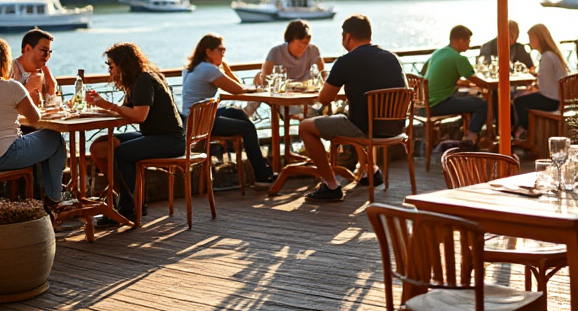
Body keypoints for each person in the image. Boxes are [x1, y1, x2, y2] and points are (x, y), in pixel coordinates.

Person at [296, 14, 408, 203]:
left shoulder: (346, 61)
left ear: (347, 36)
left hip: (364, 130)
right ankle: (370, 170)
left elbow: (324, 99)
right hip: (395, 128)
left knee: (305, 127)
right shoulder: (392, 58)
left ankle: (331, 186)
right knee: (351, 115)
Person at [0, 36, 65, 208]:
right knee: (55, 138)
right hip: (4, 156)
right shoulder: (11, 87)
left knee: (43, 143)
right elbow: (35, 118)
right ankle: (55, 199)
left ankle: (47, 197)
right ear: (3, 61)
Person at [86, 43, 185, 219]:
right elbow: (126, 113)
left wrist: (108, 105)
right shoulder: (137, 81)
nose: (109, 71)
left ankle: (128, 209)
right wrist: (100, 107)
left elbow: (140, 116)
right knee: (100, 147)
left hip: (170, 140)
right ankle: (125, 198)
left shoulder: (144, 80)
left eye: (111, 66)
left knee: (120, 154)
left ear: (123, 65)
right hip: (153, 135)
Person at [180, 34, 278, 188]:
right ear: (208, 52)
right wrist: (253, 88)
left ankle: (249, 158)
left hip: (193, 118)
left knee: (237, 113)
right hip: (201, 122)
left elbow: (237, 87)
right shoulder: (208, 69)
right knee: (248, 128)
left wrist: (225, 69)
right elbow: (238, 89)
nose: (223, 53)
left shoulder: (193, 67)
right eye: (220, 50)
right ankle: (262, 176)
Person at [423, 25, 493, 146]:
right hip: (438, 104)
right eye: (468, 42)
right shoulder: (458, 58)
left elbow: (445, 78)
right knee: (482, 104)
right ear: (460, 40)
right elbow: (478, 81)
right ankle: (471, 139)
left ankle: (466, 132)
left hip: (424, 104)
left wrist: (469, 85)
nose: (469, 46)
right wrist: (492, 83)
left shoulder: (438, 53)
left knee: (470, 96)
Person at [510, 24, 567, 139]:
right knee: (521, 99)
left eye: (531, 38)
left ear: (539, 38)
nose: (529, 42)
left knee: (518, 101)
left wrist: (531, 90)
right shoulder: (551, 55)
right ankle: (524, 131)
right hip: (557, 97)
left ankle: (525, 131)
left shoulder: (547, 57)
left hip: (552, 100)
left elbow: (544, 88)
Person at [10, 28, 56, 107]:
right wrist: (26, 90)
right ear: (27, 49)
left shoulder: (43, 72)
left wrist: (51, 89)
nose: (47, 56)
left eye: (49, 52)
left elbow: (51, 106)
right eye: (44, 51)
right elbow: (2, 107)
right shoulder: (8, 71)